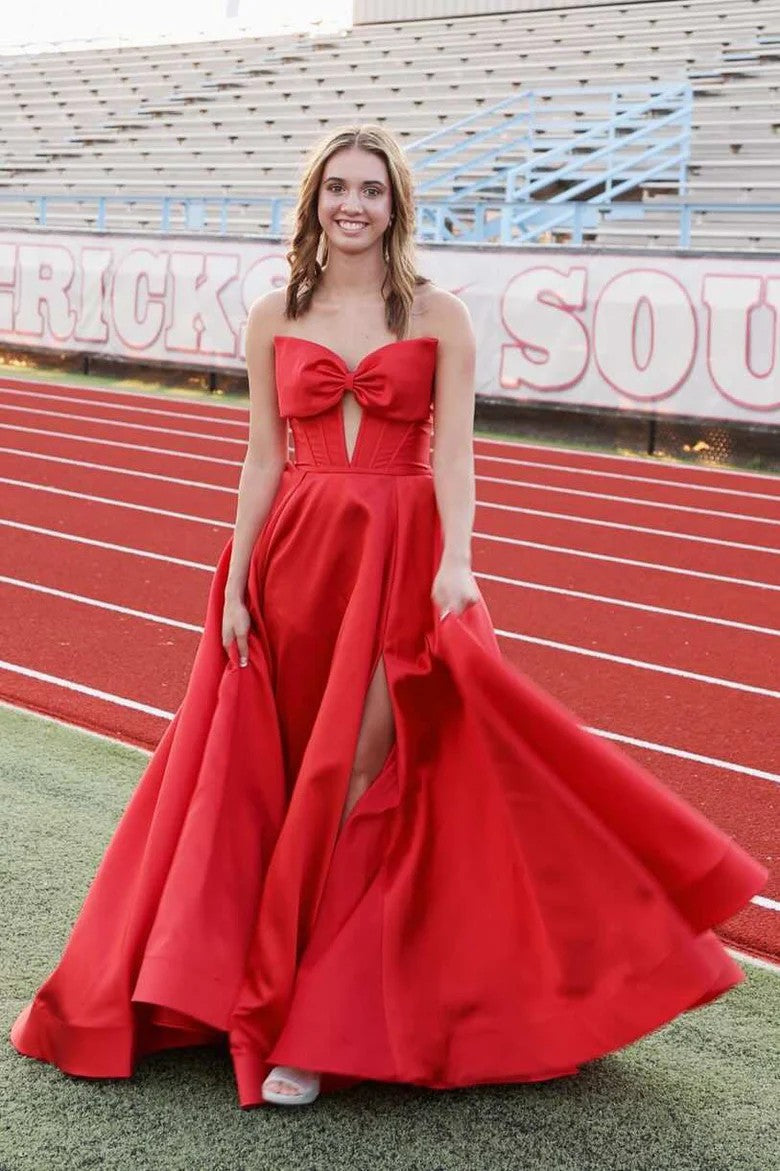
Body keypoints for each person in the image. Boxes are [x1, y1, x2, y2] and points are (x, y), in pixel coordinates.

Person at [9, 124, 768, 1111]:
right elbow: (261, 457)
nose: (353, 205)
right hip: (296, 561)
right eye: (337, 189)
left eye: (371, 190)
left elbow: (456, 453)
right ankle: (262, 994)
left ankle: (315, 1031)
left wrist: (458, 561)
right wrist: (236, 577)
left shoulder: (441, 313)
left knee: (364, 778)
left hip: (404, 559)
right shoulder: (275, 311)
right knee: (278, 780)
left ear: (396, 204)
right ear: (315, 203)